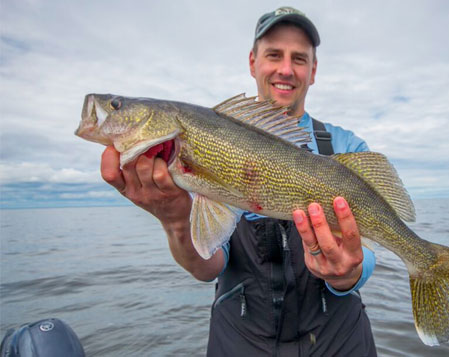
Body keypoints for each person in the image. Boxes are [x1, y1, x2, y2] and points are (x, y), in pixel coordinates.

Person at [100, 6, 377, 356]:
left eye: (299, 59)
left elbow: (368, 251)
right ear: (252, 62)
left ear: (314, 70)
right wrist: (174, 221)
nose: (286, 69)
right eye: (274, 55)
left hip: (338, 339)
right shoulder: (213, 136)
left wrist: (347, 273)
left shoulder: (347, 148)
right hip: (242, 339)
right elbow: (207, 265)